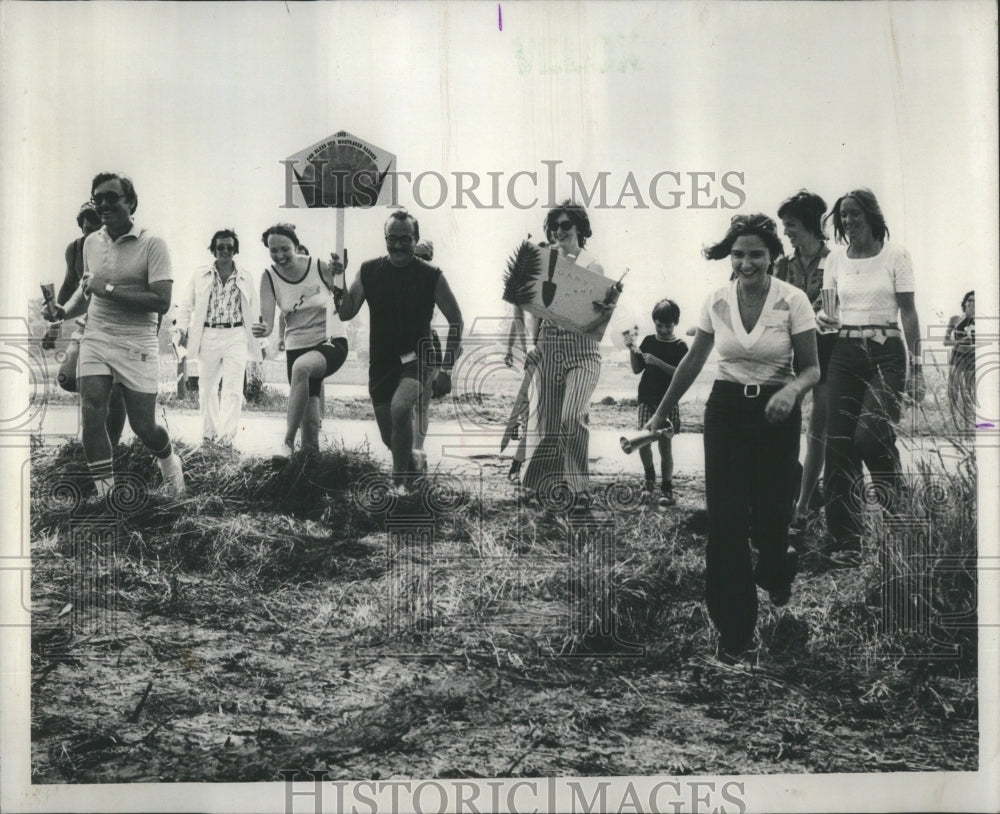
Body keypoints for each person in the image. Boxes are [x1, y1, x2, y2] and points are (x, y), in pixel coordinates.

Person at [645, 213, 819, 661]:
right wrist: (661, 413)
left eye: (756, 254)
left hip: (776, 415)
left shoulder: (793, 300)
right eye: (739, 253)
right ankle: (735, 634)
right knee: (724, 523)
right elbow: (692, 362)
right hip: (724, 410)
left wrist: (792, 391)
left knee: (769, 519)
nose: (747, 262)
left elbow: (812, 368)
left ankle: (778, 566)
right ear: (730, 256)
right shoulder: (716, 301)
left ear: (772, 256)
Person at [43, 172, 185, 497]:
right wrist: (62, 312)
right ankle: (106, 497)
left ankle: (170, 465)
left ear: (131, 202)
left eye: (112, 197)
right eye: (98, 198)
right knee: (92, 413)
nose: (104, 204)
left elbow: (161, 300)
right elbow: (86, 292)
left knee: (144, 428)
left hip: (138, 341)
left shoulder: (153, 244)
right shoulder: (91, 243)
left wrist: (106, 288)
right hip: (96, 336)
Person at [818, 189, 923, 564]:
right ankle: (848, 543)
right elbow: (830, 313)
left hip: (886, 352)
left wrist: (918, 368)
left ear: (872, 215)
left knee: (870, 436)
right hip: (844, 353)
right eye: (842, 216)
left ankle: (900, 525)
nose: (847, 222)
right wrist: (822, 318)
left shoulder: (896, 255)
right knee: (839, 445)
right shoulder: (833, 260)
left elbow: (908, 313)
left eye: (854, 214)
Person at [336, 210, 463, 490]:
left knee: (401, 406)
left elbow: (456, 320)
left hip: (419, 355)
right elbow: (346, 312)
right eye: (392, 238)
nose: (397, 245)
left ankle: (399, 486)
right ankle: (414, 462)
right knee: (391, 438)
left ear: (415, 240)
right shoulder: (369, 270)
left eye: (405, 239)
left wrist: (446, 369)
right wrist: (339, 278)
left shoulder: (431, 276)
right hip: (382, 359)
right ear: (385, 239)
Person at [521, 201, 620, 511]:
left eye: (566, 225)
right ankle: (542, 486)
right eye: (554, 226)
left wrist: (606, 312)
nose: (559, 231)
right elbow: (533, 311)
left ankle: (578, 489)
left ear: (579, 229)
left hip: (582, 351)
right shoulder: (544, 262)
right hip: (550, 346)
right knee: (550, 423)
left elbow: (593, 317)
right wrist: (532, 344)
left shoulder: (593, 266)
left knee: (572, 416)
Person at [253, 223, 348, 460]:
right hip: (297, 346)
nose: (280, 256)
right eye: (273, 251)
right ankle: (307, 467)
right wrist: (262, 329)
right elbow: (269, 324)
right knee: (310, 431)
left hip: (330, 340)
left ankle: (286, 443)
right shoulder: (269, 277)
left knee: (302, 368)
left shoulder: (319, 266)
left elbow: (345, 304)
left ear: (296, 246)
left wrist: (341, 275)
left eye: (285, 249)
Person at [774, 191, 834, 537]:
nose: (787, 232)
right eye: (784, 226)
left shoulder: (834, 261)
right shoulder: (783, 264)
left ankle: (804, 506)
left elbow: (833, 311)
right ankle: (796, 489)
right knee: (781, 429)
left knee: (817, 431)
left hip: (824, 352)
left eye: (792, 225)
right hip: (789, 351)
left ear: (810, 224)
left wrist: (804, 313)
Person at [45, 201, 129, 446]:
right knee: (67, 377)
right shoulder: (75, 249)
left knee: (116, 387)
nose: (88, 230)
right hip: (86, 321)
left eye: (93, 225)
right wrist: (55, 324)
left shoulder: (119, 246)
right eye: (83, 226)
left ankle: (109, 445)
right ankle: (97, 413)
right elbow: (69, 285)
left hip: (117, 324)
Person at [174, 229, 261, 445]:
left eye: (229, 247)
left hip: (236, 334)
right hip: (208, 334)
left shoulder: (245, 276)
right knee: (207, 388)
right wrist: (182, 329)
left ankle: (225, 440)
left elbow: (255, 309)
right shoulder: (200, 275)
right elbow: (186, 305)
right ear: (213, 249)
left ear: (235, 250)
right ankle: (209, 435)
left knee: (232, 389)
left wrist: (262, 339)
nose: (225, 251)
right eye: (220, 247)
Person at [629, 298, 687, 507]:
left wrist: (657, 362)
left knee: (665, 447)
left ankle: (667, 488)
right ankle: (649, 479)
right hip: (646, 398)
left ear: (676, 323)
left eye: (668, 325)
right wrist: (631, 349)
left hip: (668, 402)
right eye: (659, 325)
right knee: (643, 442)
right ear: (654, 322)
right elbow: (637, 369)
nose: (663, 329)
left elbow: (682, 374)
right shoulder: (648, 341)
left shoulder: (681, 346)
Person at [944, 291, 975, 435]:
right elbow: (945, 341)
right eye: (969, 300)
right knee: (953, 393)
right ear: (964, 302)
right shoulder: (955, 319)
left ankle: (969, 431)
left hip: (972, 361)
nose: (971, 303)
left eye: (975, 301)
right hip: (956, 359)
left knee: (968, 395)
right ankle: (953, 429)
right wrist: (960, 341)